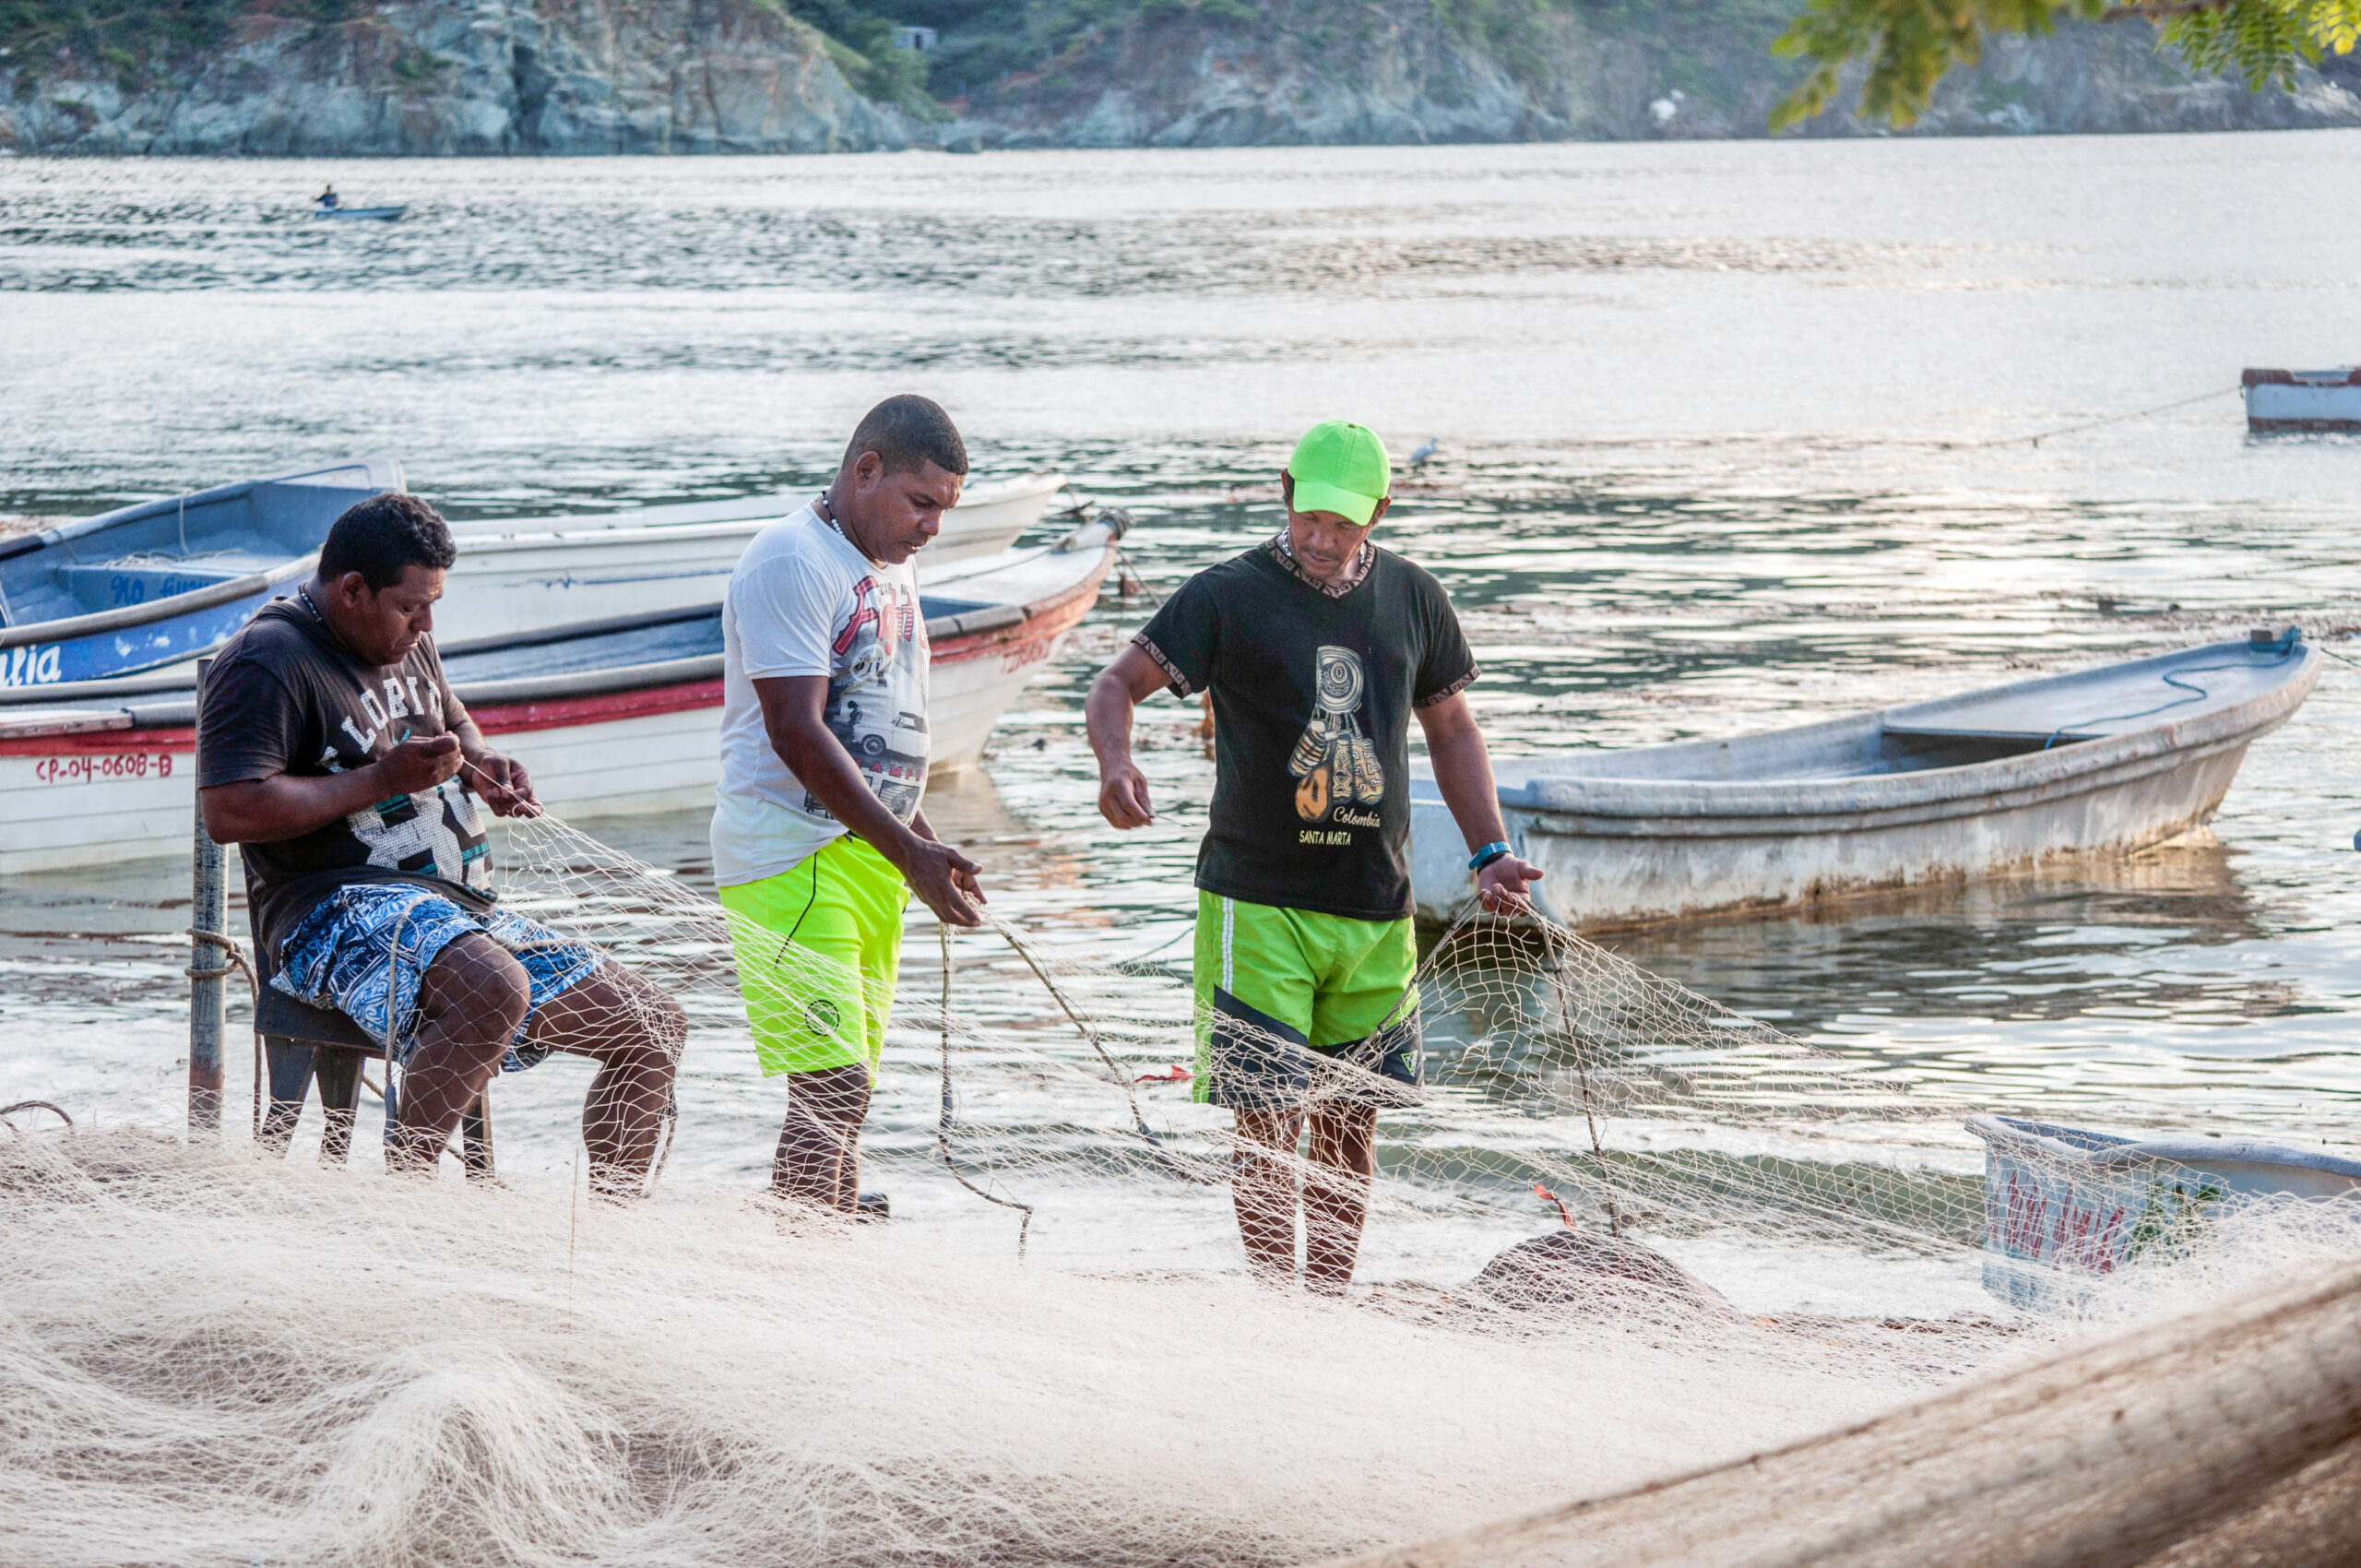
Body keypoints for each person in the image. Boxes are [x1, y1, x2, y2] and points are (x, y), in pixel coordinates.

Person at [1086, 420, 1544, 1292]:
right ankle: (1275, 1314)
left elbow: (1450, 728)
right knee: (1265, 1123)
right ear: (1285, 494)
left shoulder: (1414, 597)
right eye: (1309, 520)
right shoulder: (1227, 595)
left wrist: (1491, 851)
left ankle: (1326, 1310)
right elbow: (1115, 684)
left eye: (1343, 524)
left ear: (1379, 509)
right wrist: (1117, 761)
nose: (1322, 541)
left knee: (1347, 1128)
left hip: (1375, 911)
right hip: (1257, 905)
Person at [198, 493, 682, 1194]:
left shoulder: (406, 636)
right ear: (352, 589)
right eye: (411, 607)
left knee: (652, 1023)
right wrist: (381, 780)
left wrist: (489, 771)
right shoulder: (269, 659)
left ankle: (613, 1230)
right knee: (494, 987)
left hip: (455, 910)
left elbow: (457, 725)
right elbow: (230, 811)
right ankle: (406, 1205)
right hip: (329, 916)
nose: (427, 625)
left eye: (434, 605)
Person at [712, 395, 987, 1216]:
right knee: (829, 1086)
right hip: (785, 852)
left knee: (854, 1089)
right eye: (921, 503)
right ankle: (802, 1264)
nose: (932, 526)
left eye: (944, 508)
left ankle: (829, 1241)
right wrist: (909, 852)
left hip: (869, 853)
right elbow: (796, 732)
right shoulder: (791, 560)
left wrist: (922, 841)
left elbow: (881, 728)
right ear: (865, 470)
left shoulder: (892, 567)